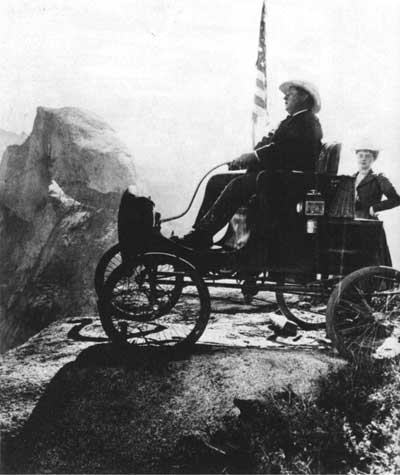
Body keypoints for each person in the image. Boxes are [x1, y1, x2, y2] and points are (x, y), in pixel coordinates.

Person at [179, 80, 323, 249]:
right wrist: (246, 159)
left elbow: (284, 152)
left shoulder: (308, 122)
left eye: (290, 94)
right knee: (216, 181)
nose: (284, 98)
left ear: (304, 97)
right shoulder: (292, 122)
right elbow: (268, 148)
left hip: (287, 183)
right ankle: (201, 234)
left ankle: (201, 235)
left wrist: (254, 156)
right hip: (274, 178)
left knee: (238, 185)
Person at [353, 143, 400, 265]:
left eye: (367, 156)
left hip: (369, 223)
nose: (363, 159)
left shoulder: (379, 179)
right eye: (360, 155)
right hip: (351, 221)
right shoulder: (350, 178)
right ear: (356, 157)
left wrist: (375, 207)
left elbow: (396, 199)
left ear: (373, 159)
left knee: (370, 258)